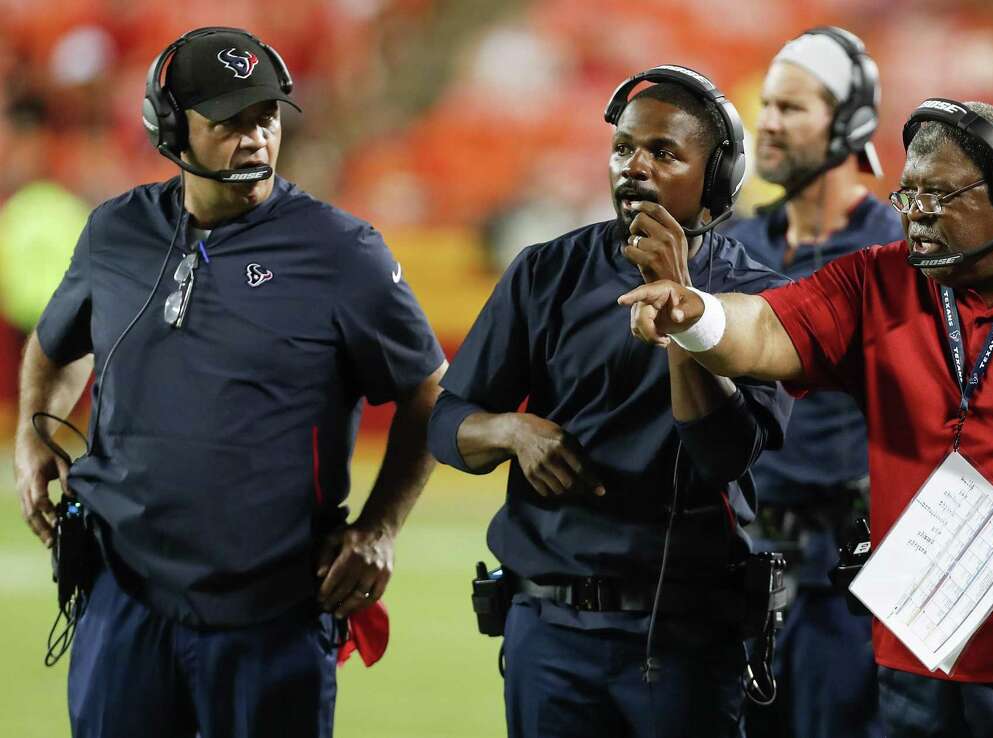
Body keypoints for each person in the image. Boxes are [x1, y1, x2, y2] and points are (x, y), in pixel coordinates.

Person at [619, 98, 993, 737]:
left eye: (940, 195)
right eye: (908, 194)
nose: (916, 214)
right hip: (921, 652)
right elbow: (764, 330)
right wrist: (695, 314)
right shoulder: (877, 281)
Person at [12, 27, 446, 738]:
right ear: (171, 128)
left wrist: (379, 528)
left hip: (273, 610)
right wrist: (36, 433)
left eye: (266, 118)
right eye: (231, 123)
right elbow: (56, 347)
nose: (256, 139)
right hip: (123, 596)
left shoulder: (343, 252)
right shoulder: (114, 233)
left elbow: (427, 392)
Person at [427, 66, 790, 738]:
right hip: (549, 632)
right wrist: (513, 432)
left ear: (717, 179)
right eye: (624, 148)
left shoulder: (759, 299)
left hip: (684, 637)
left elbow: (723, 454)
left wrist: (685, 315)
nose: (635, 167)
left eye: (664, 152)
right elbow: (447, 426)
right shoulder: (545, 270)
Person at [722, 27, 899, 738]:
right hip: (738, 571)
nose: (767, 122)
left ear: (850, 122)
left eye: (792, 108)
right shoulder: (737, 243)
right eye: (767, 105)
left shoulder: (899, 250)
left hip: (849, 580)